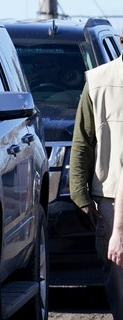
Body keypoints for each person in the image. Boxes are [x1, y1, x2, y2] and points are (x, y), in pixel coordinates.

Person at [69, 55, 123, 320]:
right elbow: (83, 141)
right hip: (111, 200)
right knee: (119, 289)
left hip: (111, 200)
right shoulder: (98, 81)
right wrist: (80, 195)